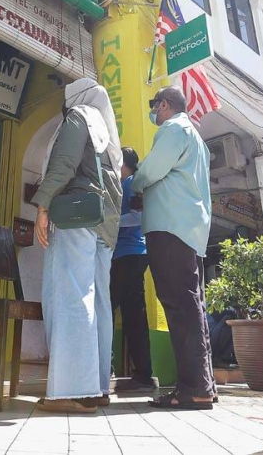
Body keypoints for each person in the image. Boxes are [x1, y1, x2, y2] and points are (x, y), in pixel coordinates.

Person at [31, 78, 122, 414]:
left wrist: (42, 205)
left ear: (75, 99)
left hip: (75, 219)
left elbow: (64, 163)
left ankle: (71, 389)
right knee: (97, 302)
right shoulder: (108, 136)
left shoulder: (78, 117)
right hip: (104, 227)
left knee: (70, 296)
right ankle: (96, 387)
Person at [132, 86, 215, 410]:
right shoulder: (195, 137)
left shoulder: (174, 128)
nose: (154, 113)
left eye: (155, 107)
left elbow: (152, 169)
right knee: (192, 307)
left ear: (164, 105)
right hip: (189, 228)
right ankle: (203, 384)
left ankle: (193, 388)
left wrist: (134, 183)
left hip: (169, 226)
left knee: (181, 308)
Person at [110, 147, 155, 393]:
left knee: (105, 308)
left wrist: (109, 222)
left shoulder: (129, 184)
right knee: (134, 316)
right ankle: (143, 374)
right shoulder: (133, 184)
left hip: (127, 255)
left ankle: (105, 368)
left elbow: (137, 218)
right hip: (136, 255)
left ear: (122, 163)